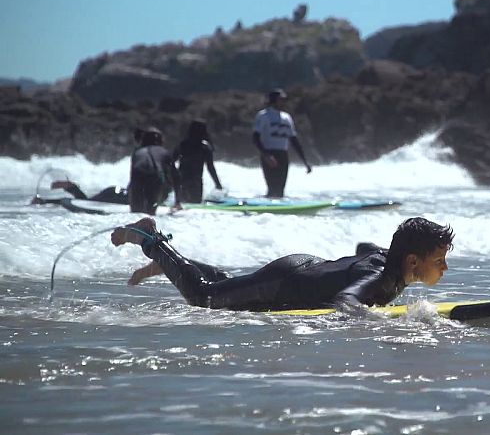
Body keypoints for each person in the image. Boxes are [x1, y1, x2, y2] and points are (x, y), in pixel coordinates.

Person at [110, 217, 453, 311]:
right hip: (288, 281)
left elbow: (365, 247)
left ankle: (172, 265)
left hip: (305, 266)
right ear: (412, 260)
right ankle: (151, 240)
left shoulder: (388, 262)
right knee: (204, 297)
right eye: (439, 261)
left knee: (233, 284)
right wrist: (373, 327)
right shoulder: (382, 280)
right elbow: (346, 301)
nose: (444, 269)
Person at [252, 88, 312, 198]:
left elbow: (293, 140)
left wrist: (305, 161)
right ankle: (267, 209)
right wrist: (266, 155)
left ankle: (280, 212)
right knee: (272, 187)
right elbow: (255, 138)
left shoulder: (287, 117)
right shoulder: (263, 116)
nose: (283, 102)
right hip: (269, 154)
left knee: (280, 189)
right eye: (281, 99)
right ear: (274, 100)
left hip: (283, 155)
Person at [128, 127, 182, 215]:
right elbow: (176, 177)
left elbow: (132, 177)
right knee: (150, 212)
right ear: (160, 140)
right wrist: (177, 201)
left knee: (135, 213)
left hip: (138, 177)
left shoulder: (137, 152)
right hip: (155, 177)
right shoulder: (164, 152)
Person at [172, 119, 224, 203]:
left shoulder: (183, 144)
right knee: (194, 203)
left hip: (182, 179)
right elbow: (210, 167)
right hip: (196, 181)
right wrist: (217, 183)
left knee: (182, 204)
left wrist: (172, 178)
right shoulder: (205, 147)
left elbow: (171, 162)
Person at [30, 180, 127, 205]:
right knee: (85, 203)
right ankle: (73, 188)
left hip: (116, 190)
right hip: (118, 194)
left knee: (86, 202)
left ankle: (43, 201)